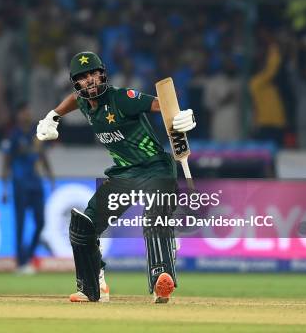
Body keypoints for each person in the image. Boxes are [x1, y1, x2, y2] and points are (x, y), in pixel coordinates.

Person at [36, 51, 196, 303]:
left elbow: (159, 104)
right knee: (83, 226)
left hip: (156, 167)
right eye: (83, 77)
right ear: (76, 83)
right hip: (124, 174)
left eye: (93, 74)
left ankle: (161, 280)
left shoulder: (121, 98)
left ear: (102, 75)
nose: (89, 80)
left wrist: (182, 117)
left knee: (155, 218)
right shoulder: (83, 102)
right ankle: (93, 286)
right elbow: (72, 101)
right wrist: (53, 116)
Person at [1, 103, 54, 274]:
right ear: (18, 115)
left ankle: (28, 256)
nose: (27, 114)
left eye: (28, 111)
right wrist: (4, 188)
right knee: (20, 224)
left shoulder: (36, 133)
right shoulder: (13, 135)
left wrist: (50, 176)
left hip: (36, 183)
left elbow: (42, 156)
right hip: (19, 184)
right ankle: (21, 262)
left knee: (41, 222)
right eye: (24, 111)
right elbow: (6, 162)